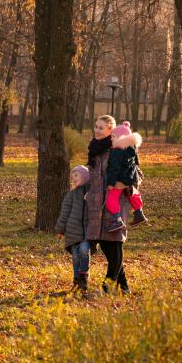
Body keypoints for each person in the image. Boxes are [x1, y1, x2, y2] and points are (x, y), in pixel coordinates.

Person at [85, 115, 131, 294]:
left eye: (101, 127)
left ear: (111, 130)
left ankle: (107, 287)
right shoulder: (94, 149)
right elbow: (94, 176)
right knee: (105, 244)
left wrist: (123, 183)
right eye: (96, 126)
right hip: (96, 204)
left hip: (114, 203)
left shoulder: (119, 148)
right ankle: (124, 287)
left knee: (115, 242)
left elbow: (136, 172)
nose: (97, 130)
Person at [55, 165, 91, 294]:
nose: (73, 178)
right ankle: (76, 282)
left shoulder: (92, 192)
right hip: (72, 232)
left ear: (85, 176)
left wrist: (91, 197)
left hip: (88, 232)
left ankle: (83, 279)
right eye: (72, 177)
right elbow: (64, 213)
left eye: (76, 175)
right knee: (76, 257)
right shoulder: (71, 195)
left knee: (84, 250)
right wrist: (60, 230)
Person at [106, 121, 147, 232]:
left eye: (113, 136)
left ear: (121, 137)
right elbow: (136, 163)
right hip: (130, 178)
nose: (111, 139)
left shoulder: (117, 151)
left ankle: (117, 220)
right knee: (133, 194)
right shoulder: (132, 148)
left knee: (111, 199)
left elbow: (114, 168)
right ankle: (139, 213)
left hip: (119, 179)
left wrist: (110, 183)